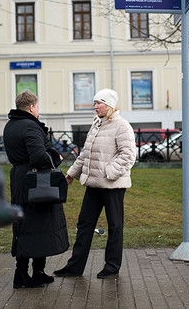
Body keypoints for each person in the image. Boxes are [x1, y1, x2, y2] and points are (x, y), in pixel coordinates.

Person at [53, 88, 136, 279]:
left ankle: (112, 266)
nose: (95, 106)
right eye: (95, 103)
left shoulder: (122, 126)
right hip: (93, 185)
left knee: (115, 226)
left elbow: (129, 155)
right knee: (84, 224)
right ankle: (75, 267)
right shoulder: (96, 125)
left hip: (112, 185)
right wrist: (71, 174)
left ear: (109, 105)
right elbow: (85, 154)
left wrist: (109, 172)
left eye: (99, 102)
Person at [3, 90, 69, 289]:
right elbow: (39, 156)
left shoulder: (10, 125)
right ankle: (23, 275)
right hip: (35, 183)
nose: (38, 110)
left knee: (26, 226)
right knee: (37, 226)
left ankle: (35, 272)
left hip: (19, 180)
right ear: (31, 107)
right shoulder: (30, 127)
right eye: (37, 107)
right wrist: (57, 159)